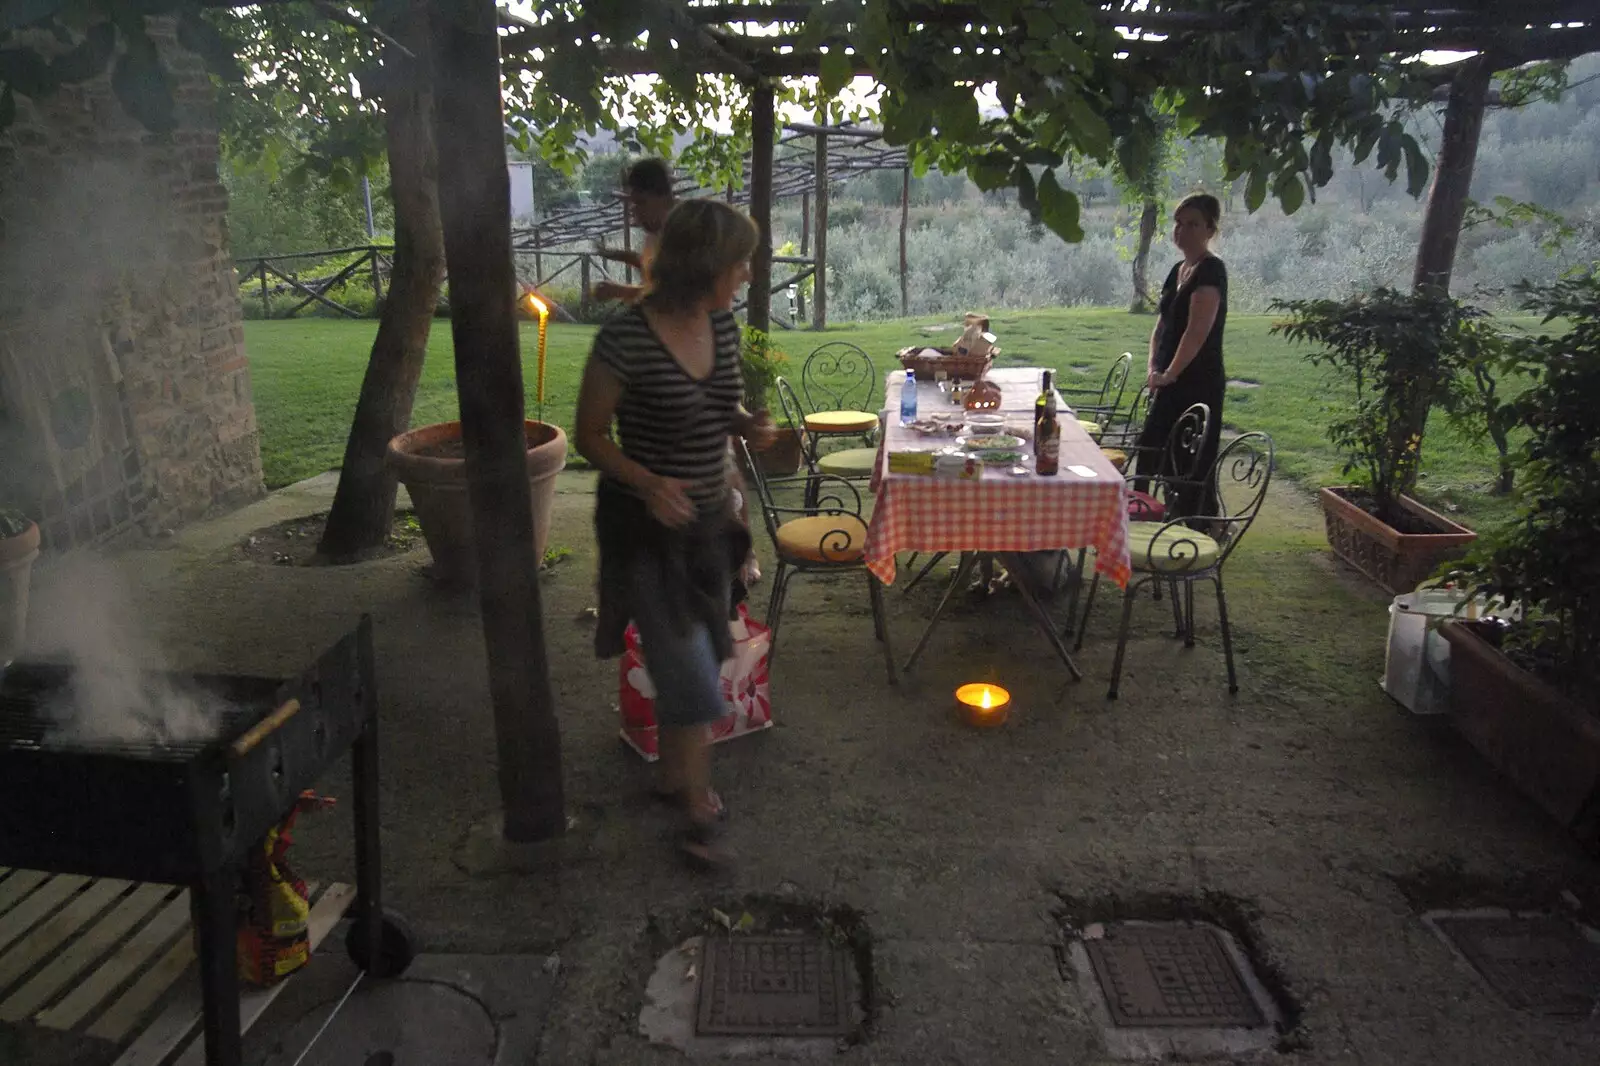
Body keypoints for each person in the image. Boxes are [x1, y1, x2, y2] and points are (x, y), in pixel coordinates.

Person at [575, 199, 776, 870]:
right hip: (646, 533)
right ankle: (694, 811)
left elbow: (722, 406)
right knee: (692, 674)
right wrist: (649, 482)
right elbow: (590, 435)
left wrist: (747, 424)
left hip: (708, 531)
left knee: (702, 648)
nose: (747, 274)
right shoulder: (624, 340)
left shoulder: (720, 326)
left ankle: (669, 777)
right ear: (707, 266)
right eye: (740, 262)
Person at [1134, 192, 1227, 519]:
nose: (1182, 231)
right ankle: (1140, 513)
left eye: (1193, 224)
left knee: (1189, 461)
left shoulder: (1211, 272)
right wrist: (1152, 367)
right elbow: (1163, 325)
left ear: (1210, 230)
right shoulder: (1178, 270)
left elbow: (1196, 332)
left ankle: (1194, 524)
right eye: (1178, 223)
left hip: (1197, 382)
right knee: (1149, 449)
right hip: (1168, 377)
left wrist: (1170, 373)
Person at [591, 157, 675, 305]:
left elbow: (673, 295)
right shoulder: (655, 234)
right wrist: (623, 256)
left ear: (665, 199)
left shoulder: (683, 234)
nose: (635, 211)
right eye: (633, 204)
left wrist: (618, 291)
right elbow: (654, 269)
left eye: (641, 202)